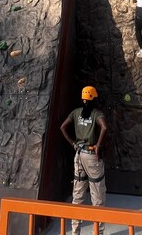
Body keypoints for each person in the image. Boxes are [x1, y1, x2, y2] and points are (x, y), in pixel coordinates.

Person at [60, 86, 107, 235]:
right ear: (94, 98)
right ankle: (97, 232)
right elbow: (104, 127)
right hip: (92, 156)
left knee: (78, 194)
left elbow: (62, 127)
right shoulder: (96, 114)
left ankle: (75, 232)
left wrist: (73, 143)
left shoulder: (76, 113)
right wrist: (98, 145)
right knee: (97, 194)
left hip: (79, 156)